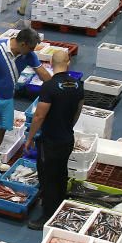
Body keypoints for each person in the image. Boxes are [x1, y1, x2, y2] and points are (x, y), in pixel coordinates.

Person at [0, 29, 48, 171]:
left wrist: (56, 85)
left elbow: (42, 72)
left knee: (1, 128)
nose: (33, 51)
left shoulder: (27, 54)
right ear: (23, 44)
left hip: (7, 97)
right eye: (31, 48)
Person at [26, 50, 83, 229]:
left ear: (50, 62)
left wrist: (30, 138)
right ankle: (60, 206)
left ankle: (47, 217)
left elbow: (39, 116)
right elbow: (78, 111)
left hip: (50, 142)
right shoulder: (77, 85)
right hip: (67, 139)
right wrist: (68, 126)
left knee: (48, 178)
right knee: (61, 173)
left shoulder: (49, 86)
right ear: (69, 62)